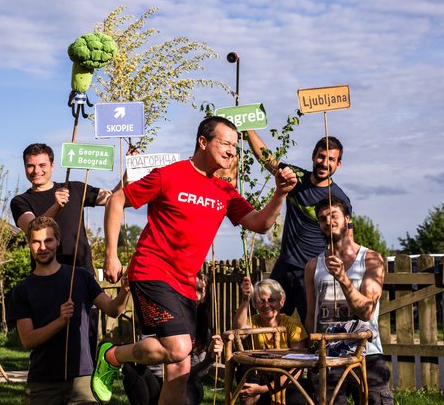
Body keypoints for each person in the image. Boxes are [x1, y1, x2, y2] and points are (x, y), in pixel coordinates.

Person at [91, 116, 298, 405]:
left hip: (186, 284)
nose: (231, 151)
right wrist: (111, 255)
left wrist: (280, 194)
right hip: (151, 270)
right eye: (225, 143)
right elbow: (117, 200)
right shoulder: (169, 175)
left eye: (235, 148)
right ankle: (111, 356)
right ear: (203, 141)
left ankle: (114, 356)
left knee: (180, 367)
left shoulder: (224, 191)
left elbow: (260, 223)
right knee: (179, 347)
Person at [7, 216, 130, 405]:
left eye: (48, 240)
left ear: (58, 241)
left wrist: (125, 291)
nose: (42, 247)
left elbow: (113, 310)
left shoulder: (80, 276)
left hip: (82, 377)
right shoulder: (22, 290)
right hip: (42, 381)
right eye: (36, 242)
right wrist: (60, 321)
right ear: (29, 244)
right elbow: (28, 340)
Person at [10, 143, 115, 359]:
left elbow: (114, 198)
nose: (36, 170)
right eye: (30, 166)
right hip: (47, 279)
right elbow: (33, 227)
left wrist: (129, 172)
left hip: (82, 275)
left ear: (52, 165)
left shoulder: (74, 188)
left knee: (87, 343)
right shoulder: (21, 201)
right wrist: (57, 206)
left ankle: (87, 387)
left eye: (42, 165)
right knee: (51, 347)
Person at [245, 130, 352, 324]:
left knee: (314, 327)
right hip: (284, 266)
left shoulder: (339, 198)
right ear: (313, 156)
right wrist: (247, 129)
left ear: (338, 164)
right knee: (268, 322)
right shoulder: (295, 178)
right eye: (321, 156)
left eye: (331, 159)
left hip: (313, 272)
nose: (324, 162)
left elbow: (348, 241)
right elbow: (266, 157)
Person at [304, 197, 393, 404]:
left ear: (346, 219)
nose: (328, 221)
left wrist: (343, 278)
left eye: (333, 215)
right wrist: (314, 352)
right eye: (322, 218)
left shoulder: (371, 259)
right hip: (328, 357)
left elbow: (367, 311)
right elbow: (310, 317)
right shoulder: (312, 266)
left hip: (367, 354)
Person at [122, 272, 220, 405]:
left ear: (204, 297)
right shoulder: (160, 316)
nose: (192, 293)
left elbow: (197, 374)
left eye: (198, 290)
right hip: (156, 381)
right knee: (130, 367)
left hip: (185, 382)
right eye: (189, 287)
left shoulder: (203, 331)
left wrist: (210, 358)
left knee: (192, 385)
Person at [233, 276, 309, 405]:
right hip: (258, 376)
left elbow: (297, 368)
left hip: (286, 380)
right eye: (261, 301)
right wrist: (245, 299)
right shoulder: (253, 321)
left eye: (271, 300)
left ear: (282, 302)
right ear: (255, 304)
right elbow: (238, 331)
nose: (266, 305)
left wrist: (262, 390)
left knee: (296, 399)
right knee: (246, 368)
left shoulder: (292, 325)